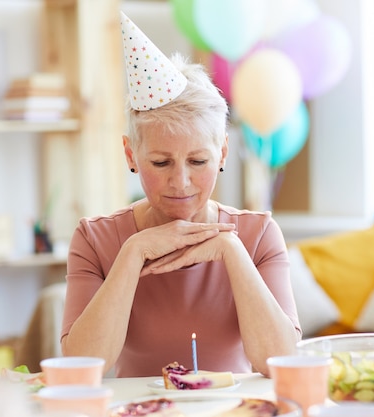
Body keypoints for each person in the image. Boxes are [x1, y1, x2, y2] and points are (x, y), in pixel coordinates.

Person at [60, 12, 301, 378]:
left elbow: (280, 363)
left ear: (221, 153)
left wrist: (232, 251)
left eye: (198, 160)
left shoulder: (258, 236)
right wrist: (134, 252)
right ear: (131, 155)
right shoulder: (95, 240)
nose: (181, 182)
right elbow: (79, 366)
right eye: (160, 162)